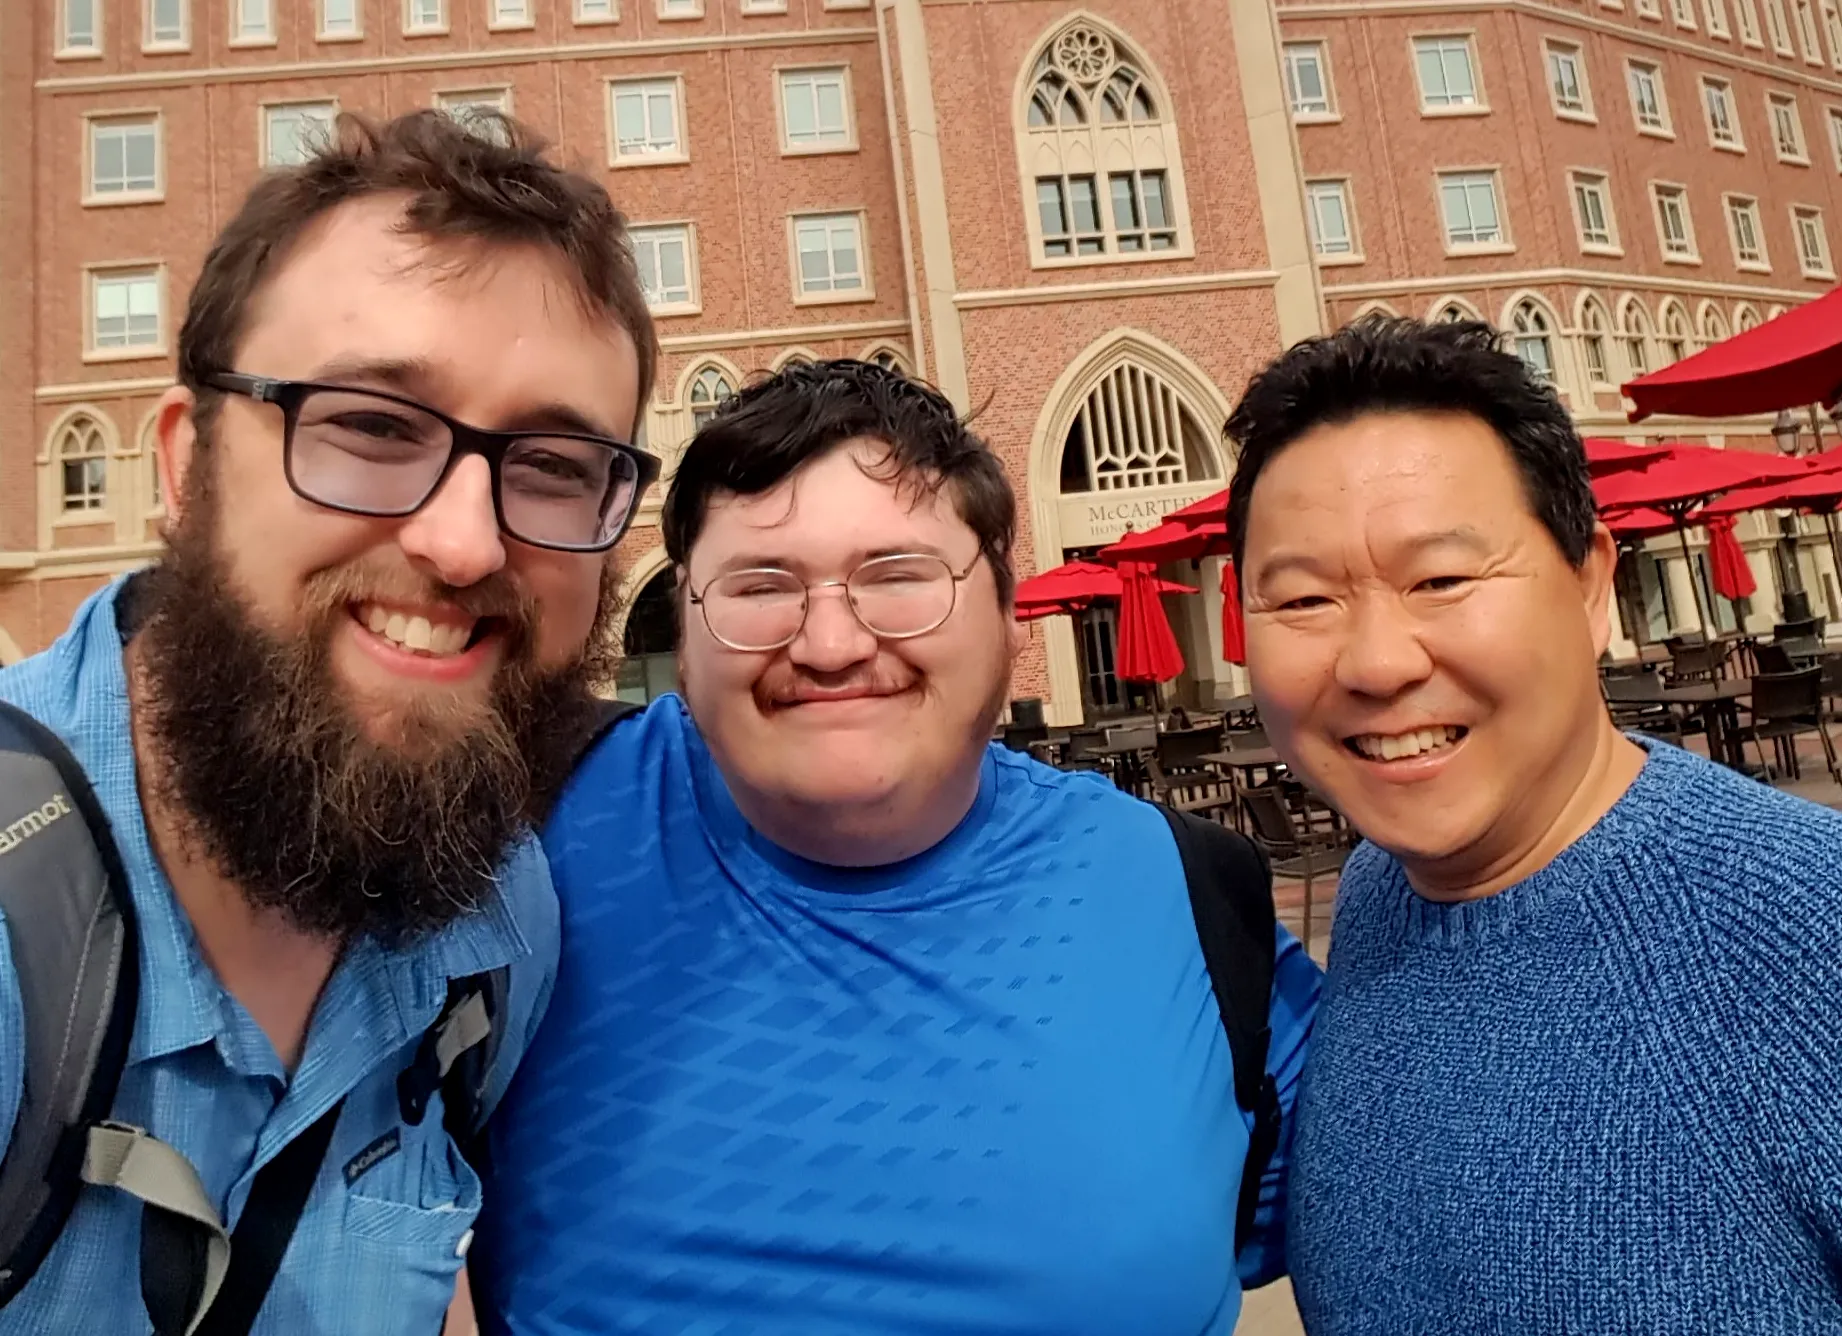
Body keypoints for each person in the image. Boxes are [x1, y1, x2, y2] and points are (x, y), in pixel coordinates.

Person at [470, 359, 1324, 1336]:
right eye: (759, 585)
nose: (830, 642)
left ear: (1006, 610)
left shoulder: (1177, 889)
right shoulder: (517, 834)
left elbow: (1424, 1201)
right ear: (686, 626)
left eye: (898, 576)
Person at [0, 110, 657, 1333]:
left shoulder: (501, 923)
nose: (463, 541)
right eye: (366, 426)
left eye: (555, 463)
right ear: (187, 462)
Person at [1224, 317, 1842, 1333]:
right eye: (1301, 598)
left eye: (1440, 579)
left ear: (1589, 582)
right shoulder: (1378, 893)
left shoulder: (1823, 932)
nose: (1374, 662)